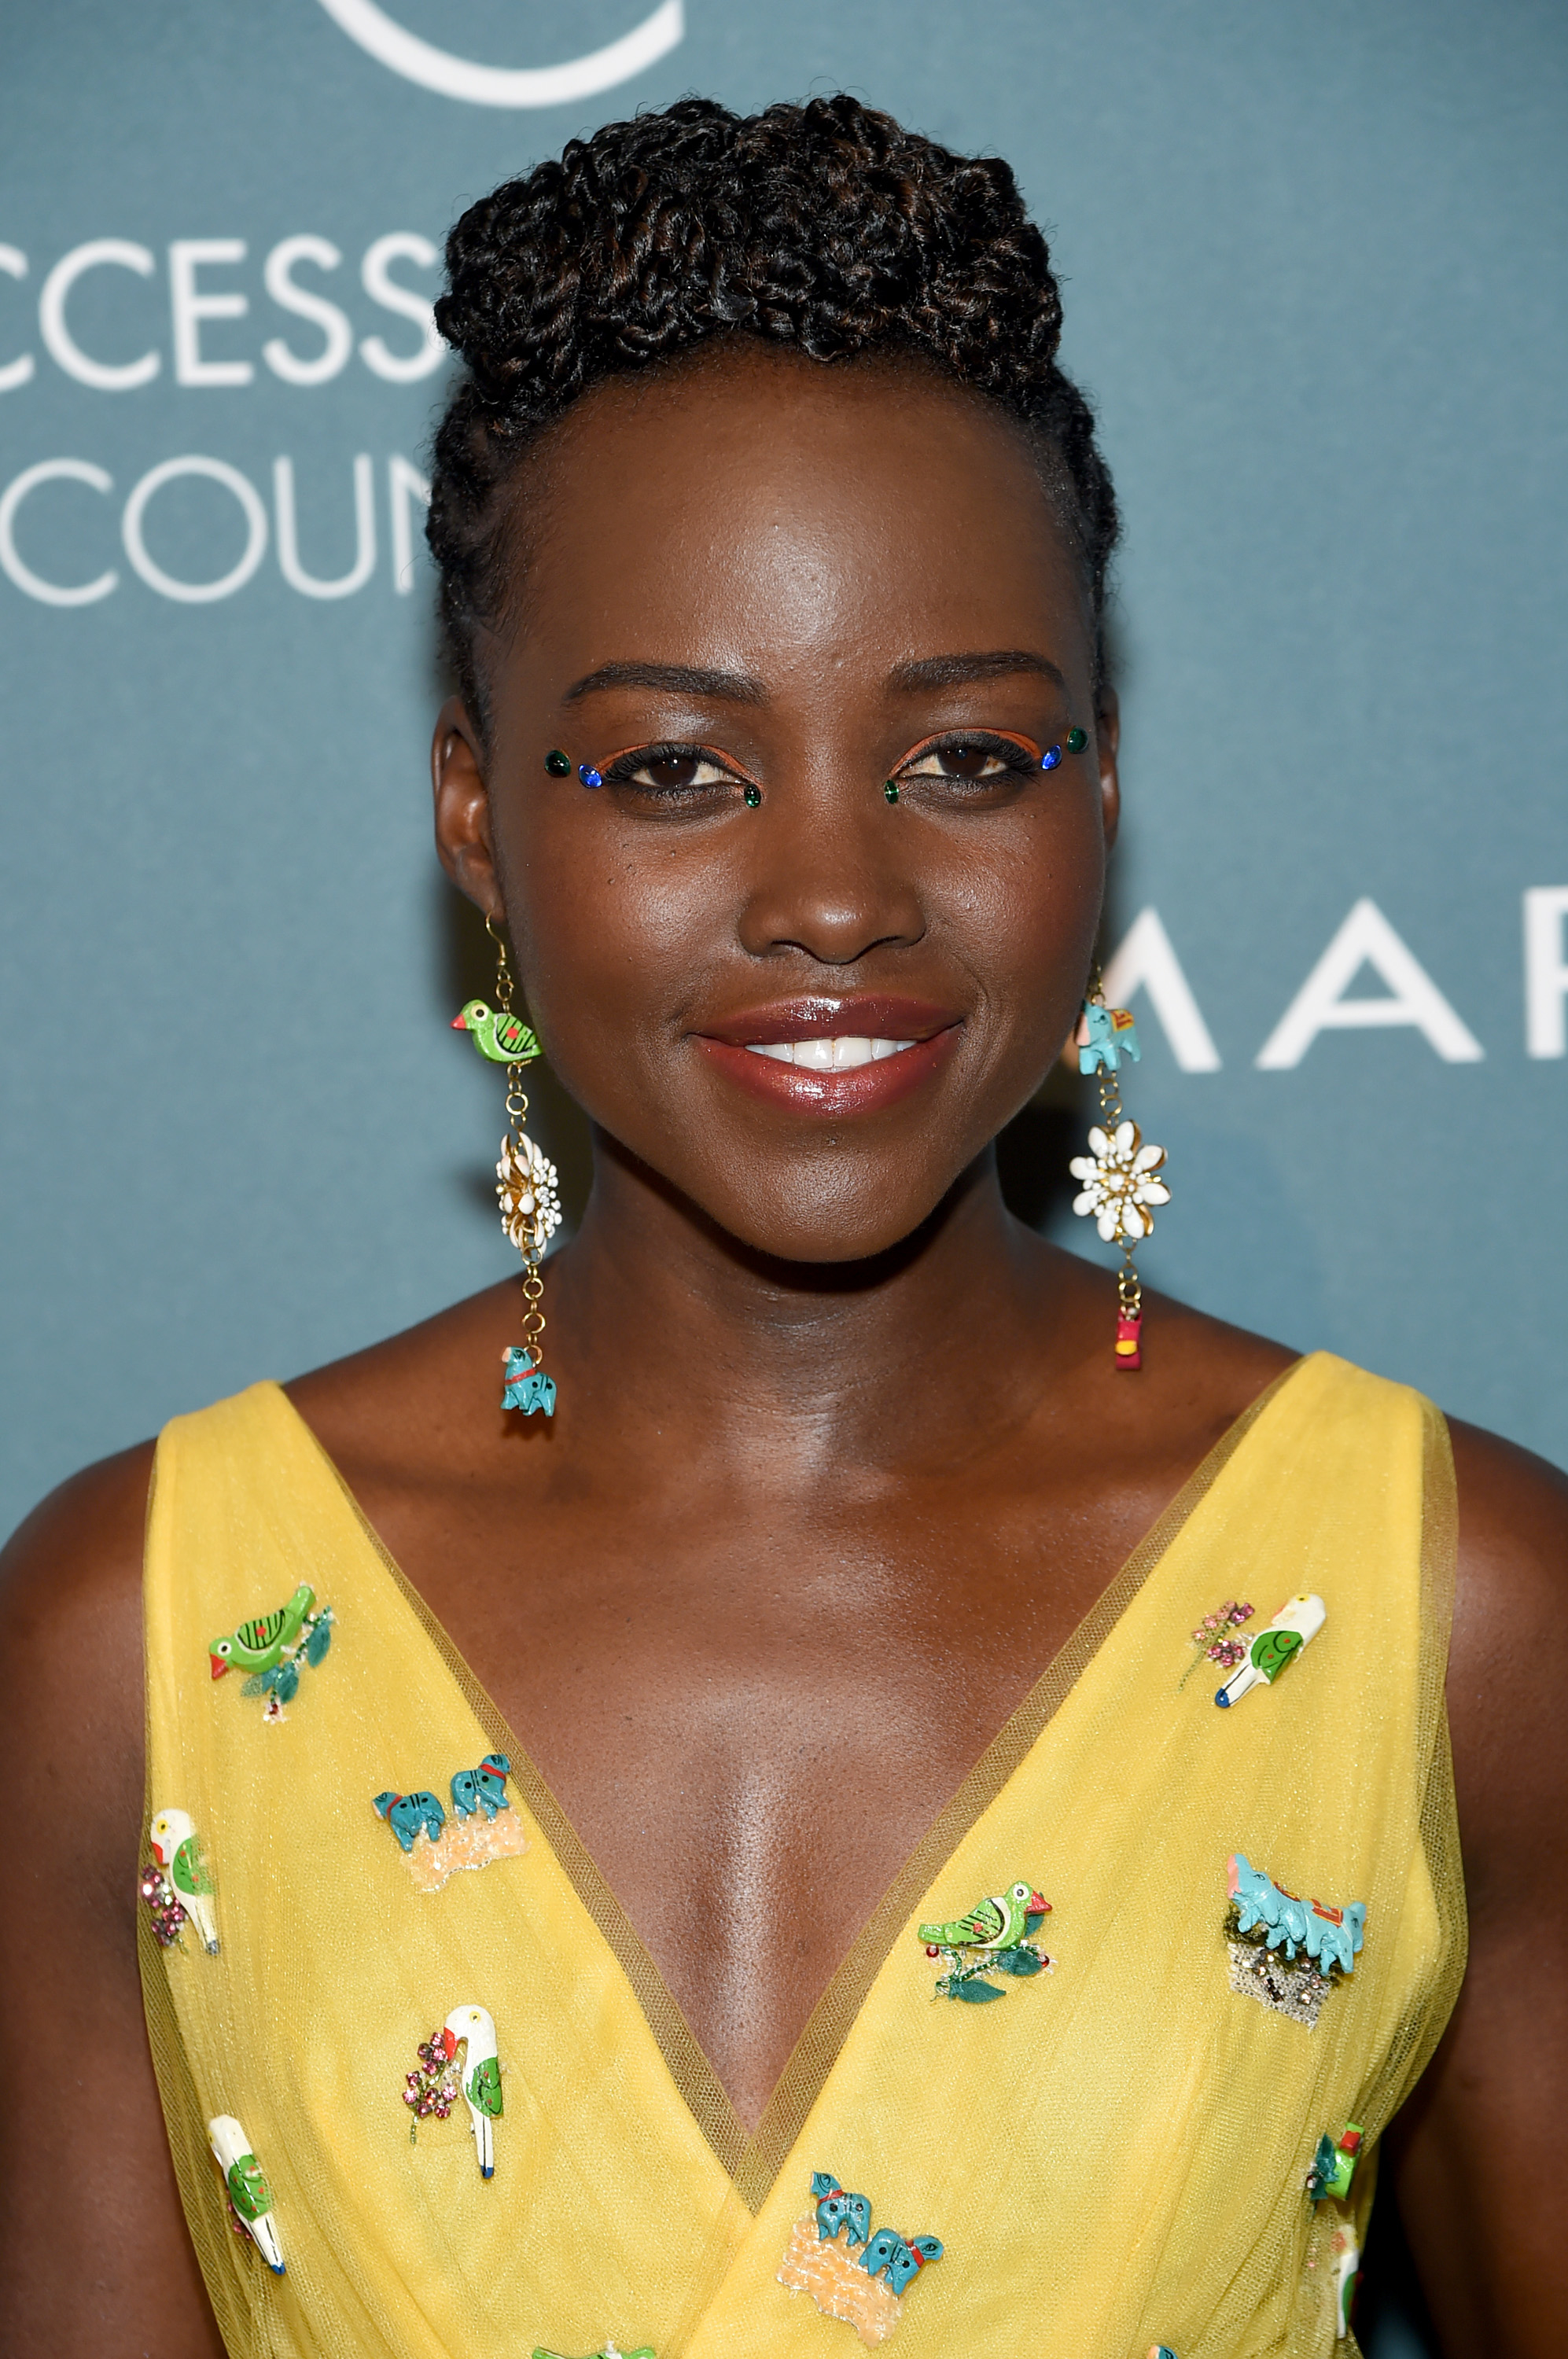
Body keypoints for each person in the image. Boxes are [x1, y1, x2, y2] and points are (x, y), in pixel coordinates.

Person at [0, 94, 1562, 2359]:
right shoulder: (133, 1645)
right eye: (670, 769)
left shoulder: (1457, 1625)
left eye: (962, 760)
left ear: (1097, 792)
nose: (834, 895)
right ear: (472, 811)